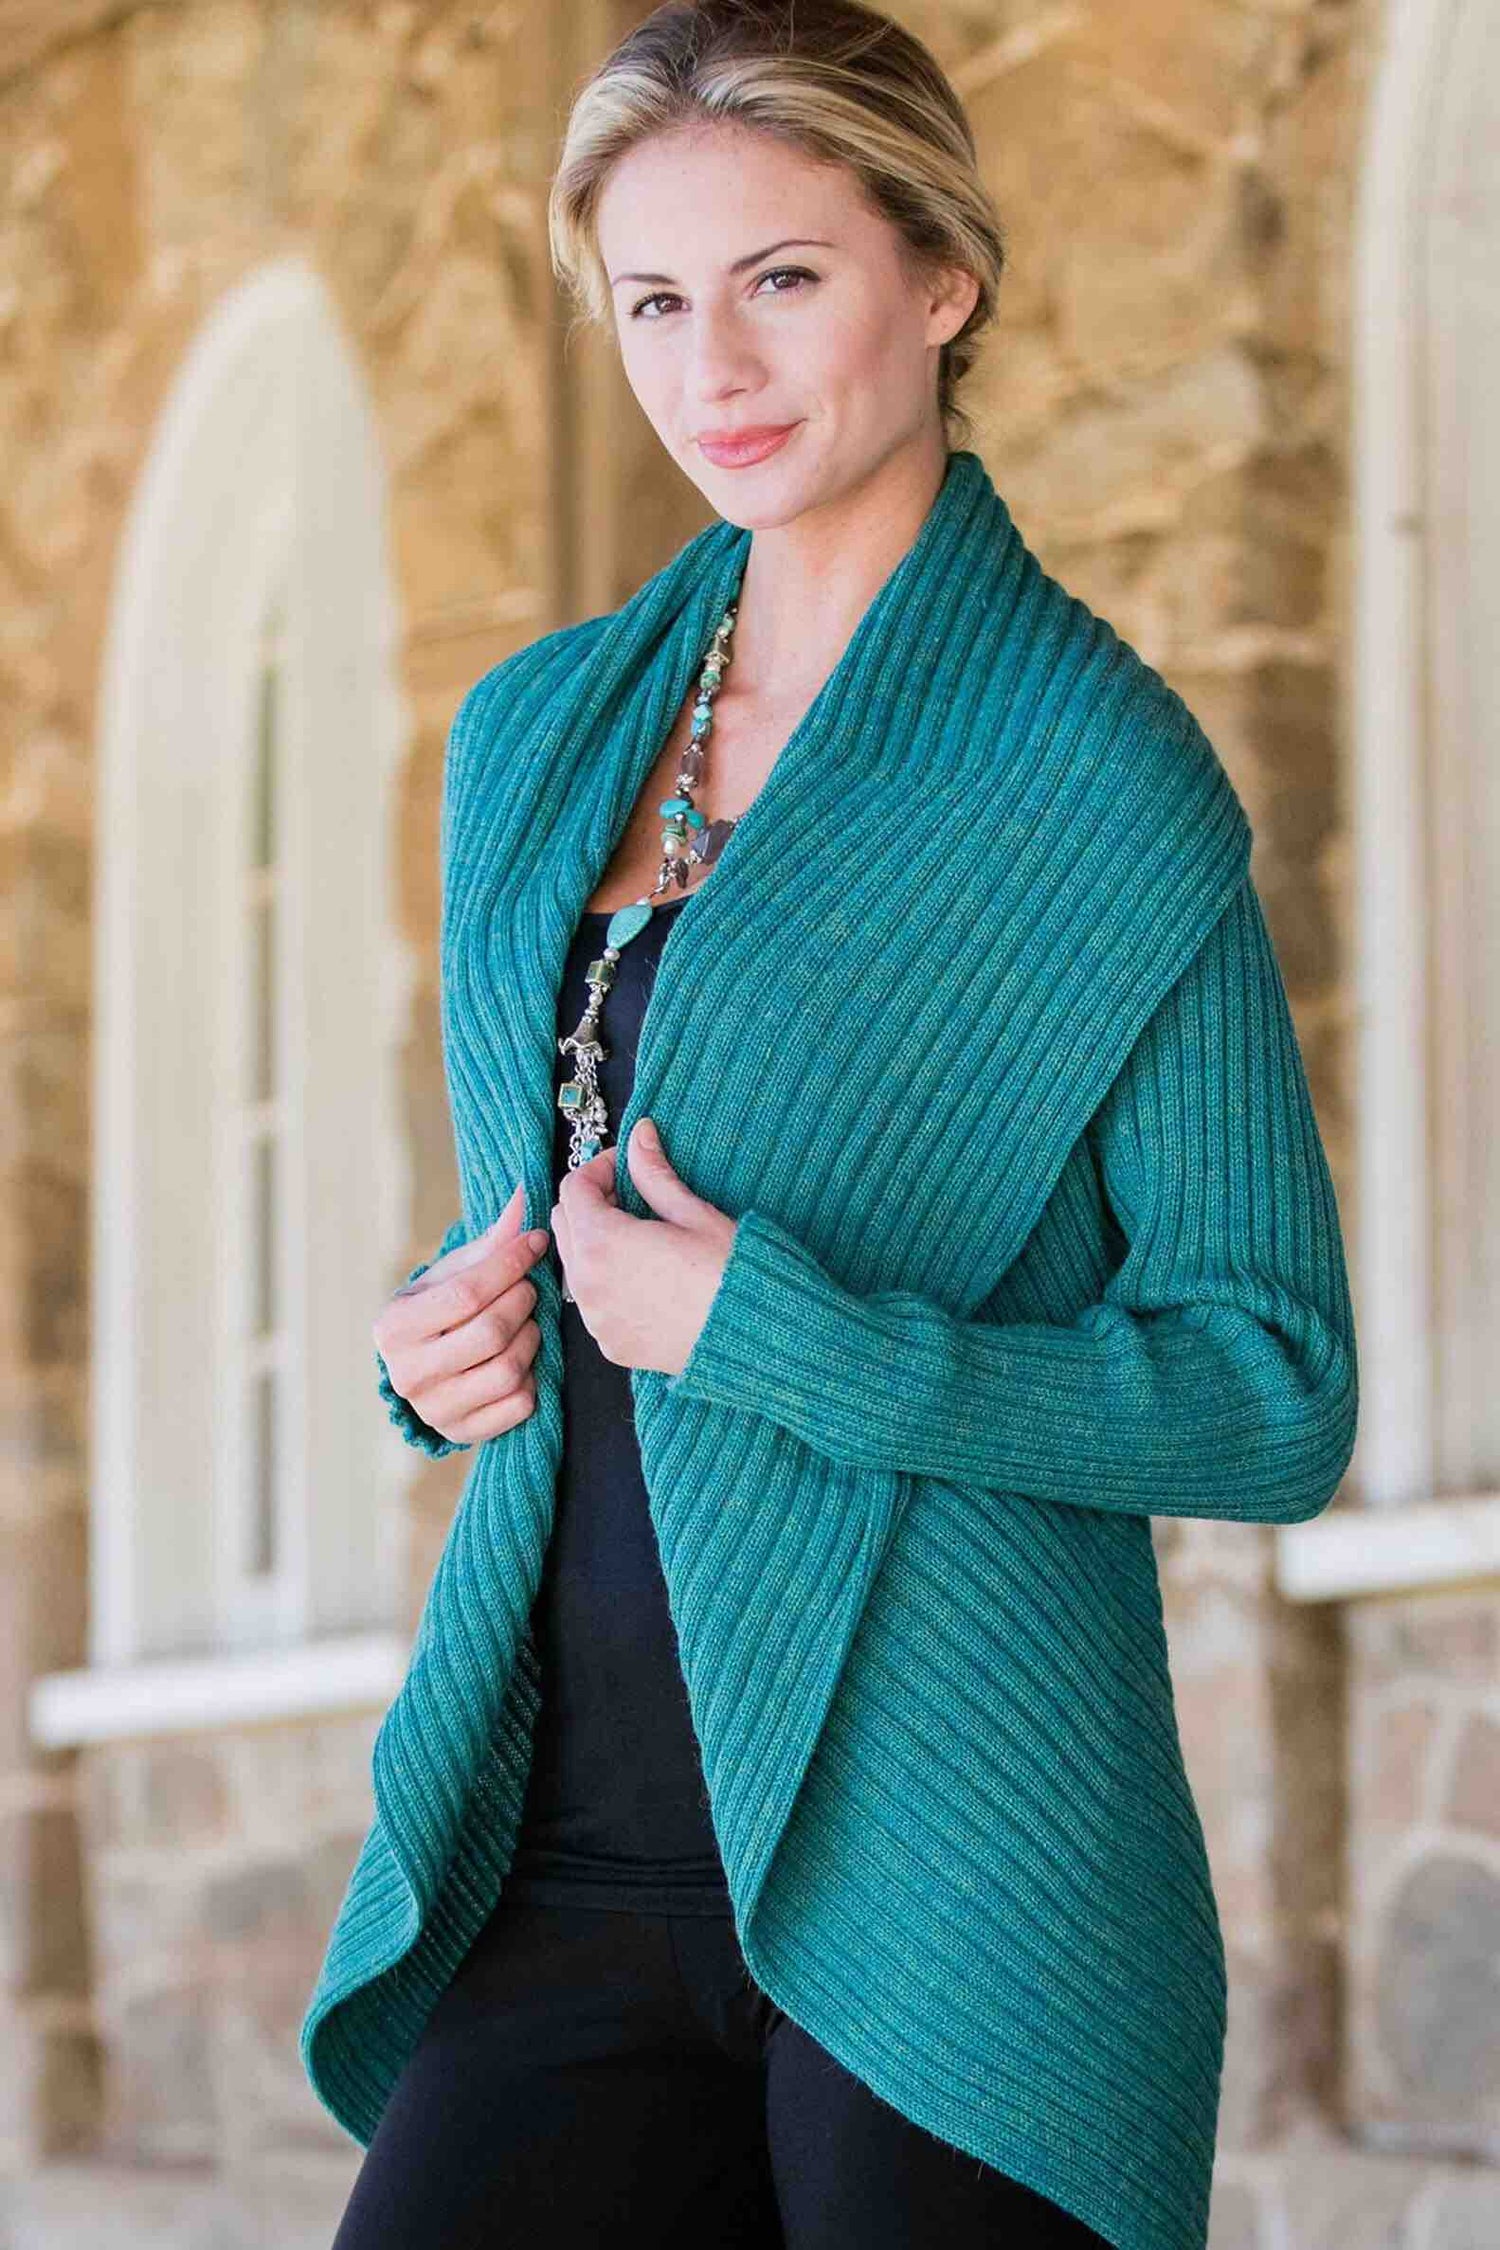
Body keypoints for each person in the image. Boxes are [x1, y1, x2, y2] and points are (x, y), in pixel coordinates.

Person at [307, 6, 1359, 2247]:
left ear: (942, 276)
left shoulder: (1092, 781)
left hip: (957, 1873)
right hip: (562, 1847)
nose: (715, 369)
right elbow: (552, 1224)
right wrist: (440, 1345)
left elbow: (1272, 1391)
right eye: (653, 303)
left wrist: (782, 1335)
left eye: (783, 277)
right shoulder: (537, 739)